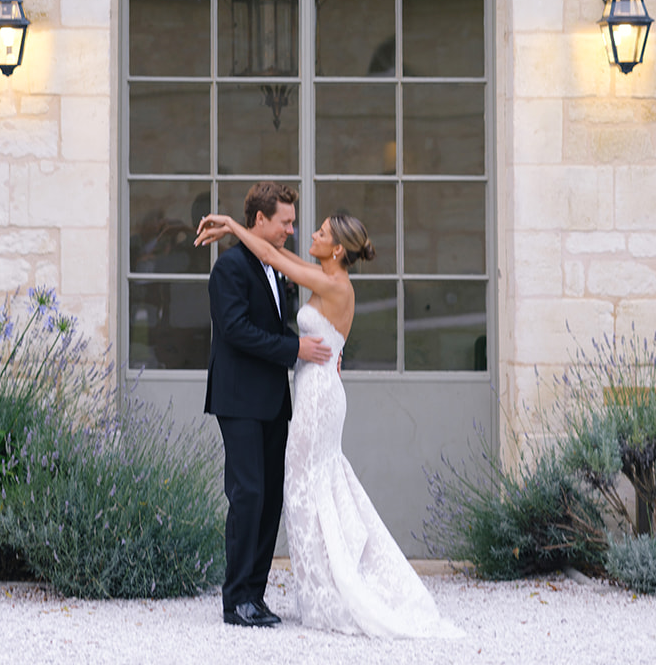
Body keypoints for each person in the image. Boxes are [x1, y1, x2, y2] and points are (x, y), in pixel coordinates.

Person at [195, 204, 460, 638]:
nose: (308, 234)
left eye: (319, 232)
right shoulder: (325, 274)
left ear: (337, 249)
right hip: (312, 392)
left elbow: (275, 258)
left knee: (306, 491)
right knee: (309, 489)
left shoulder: (333, 284)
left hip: (318, 398)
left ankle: (329, 592)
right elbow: (275, 256)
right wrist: (232, 226)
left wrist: (231, 226)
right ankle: (316, 589)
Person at [202, 180, 332, 628]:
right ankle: (234, 599)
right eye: (285, 222)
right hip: (238, 398)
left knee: (270, 498)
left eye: (294, 223)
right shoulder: (230, 269)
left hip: (275, 401)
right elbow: (235, 330)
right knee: (247, 495)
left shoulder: (276, 266)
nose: (291, 231)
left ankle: (255, 596)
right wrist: (294, 349)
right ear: (260, 220)